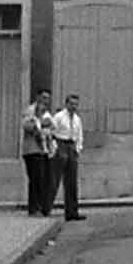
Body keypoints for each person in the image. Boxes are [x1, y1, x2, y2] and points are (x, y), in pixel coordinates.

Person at [51, 92, 86, 220]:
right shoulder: (59, 117)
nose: (73, 106)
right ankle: (46, 208)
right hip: (61, 144)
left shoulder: (77, 119)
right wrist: (54, 147)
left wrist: (78, 149)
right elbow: (51, 132)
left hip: (72, 146)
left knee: (72, 181)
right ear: (66, 104)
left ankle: (72, 212)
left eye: (76, 104)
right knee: (54, 179)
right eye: (71, 104)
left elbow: (79, 135)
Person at [21, 89, 54, 216]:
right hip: (32, 150)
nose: (46, 100)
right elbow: (27, 126)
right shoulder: (30, 110)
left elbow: (52, 127)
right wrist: (40, 123)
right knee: (35, 179)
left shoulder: (46, 113)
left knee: (43, 180)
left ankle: (42, 207)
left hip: (44, 150)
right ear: (38, 97)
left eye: (48, 98)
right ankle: (34, 208)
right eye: (44, 97)